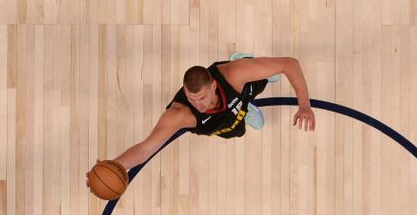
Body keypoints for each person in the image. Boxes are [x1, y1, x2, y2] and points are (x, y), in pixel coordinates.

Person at [103, 55, 316, 174]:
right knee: (236, 131)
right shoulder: (180, 114)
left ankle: (246, 70)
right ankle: (244, 111)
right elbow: (144, 149)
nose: (198, 104)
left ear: (213, 85)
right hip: (219, 124)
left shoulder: (233, 75)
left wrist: (304, 104)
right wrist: (113, 165)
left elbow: (290, 64)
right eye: (192, 98)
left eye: (202, 98)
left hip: (241, 90)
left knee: (264, 76)